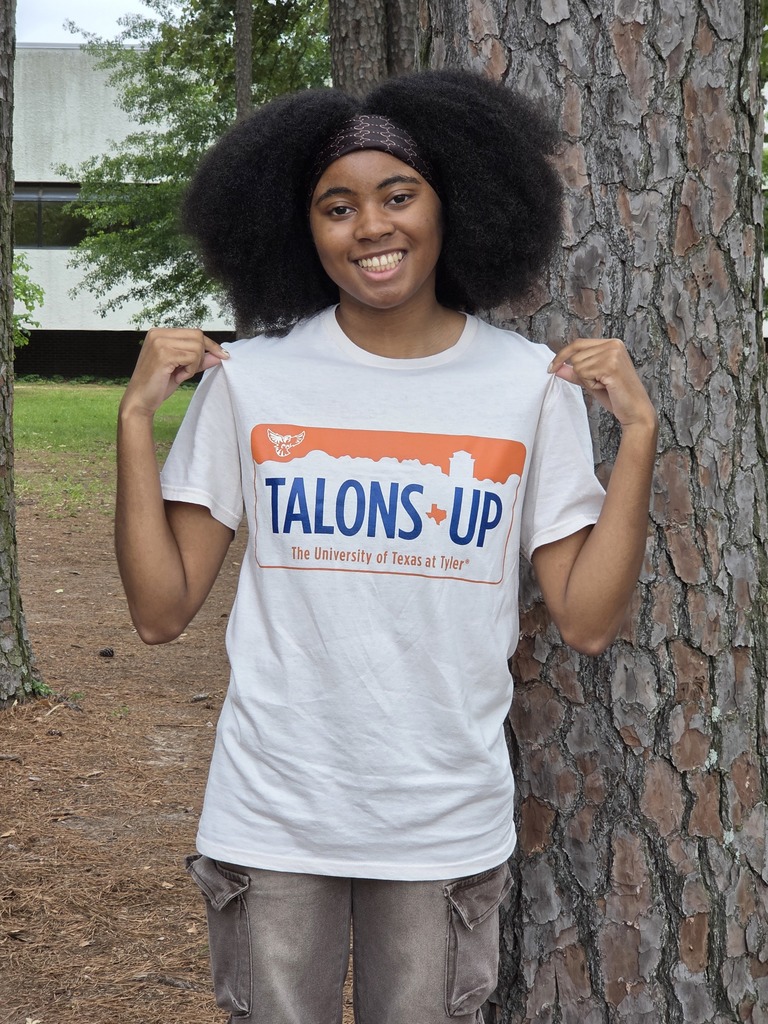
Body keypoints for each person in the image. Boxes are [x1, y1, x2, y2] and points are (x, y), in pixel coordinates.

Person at [115, 69, 657, 1024]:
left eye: (398, 196)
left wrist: (640, 436)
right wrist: (132, 421)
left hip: (441, 820)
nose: (371, 226)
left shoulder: (528, 385)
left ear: (453, 204)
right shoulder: (252, 381)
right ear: (304, 230)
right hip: (274, 811)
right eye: (338, 207)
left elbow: (586, 621)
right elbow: (160, 613)